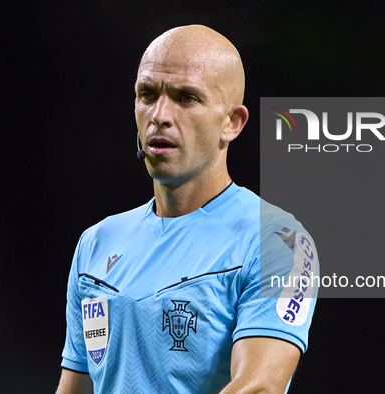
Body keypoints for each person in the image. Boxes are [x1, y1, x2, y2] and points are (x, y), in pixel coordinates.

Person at [56, 24, 318, 394]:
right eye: (147, 94)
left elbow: (259, 388)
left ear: (232, 123)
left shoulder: (280, 242)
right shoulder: (96, 244)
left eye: (186, 98)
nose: (159, 114)